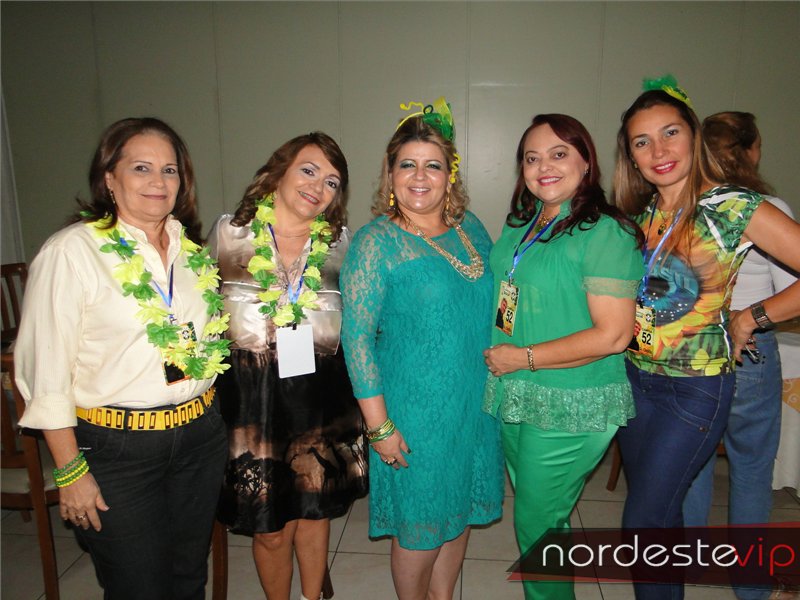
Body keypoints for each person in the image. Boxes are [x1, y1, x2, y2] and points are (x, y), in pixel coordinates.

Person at [14, 117, 230, 600]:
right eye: (141, 168)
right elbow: (46, 373)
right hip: (118, 452)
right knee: (138, 587)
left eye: (169, 170)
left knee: (188, 579)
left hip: (199, 439)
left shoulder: (190, 252)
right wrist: (70, 471)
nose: (158, 181)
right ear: (109, 179)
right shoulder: (73, 253)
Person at [613, 78, 800, 600]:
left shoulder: (731, 205)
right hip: (637, 383)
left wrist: (753, 317)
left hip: (695, 388)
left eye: (670, 133)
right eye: (642, 142)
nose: (659, 151)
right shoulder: (643, 215)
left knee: (643, 523)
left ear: (694, 136)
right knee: (664, 517)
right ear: (631, 157)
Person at [340, 98, 504, 600]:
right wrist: (379, 427)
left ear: (449, 176)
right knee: (421, 523)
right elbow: (357, 338)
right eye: (407, 164)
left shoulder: (471, 228)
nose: (419, 176)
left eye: (433, 165)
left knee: (457, 512)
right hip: (415, 412)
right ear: (389, 175)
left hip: (473, 403)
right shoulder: (376, 243)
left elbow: (498, 302)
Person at [483, 114, 643, 600]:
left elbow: (614, 335)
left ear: (586, 161)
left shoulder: (606, 232)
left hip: (573, 397)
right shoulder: (522, 222)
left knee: (536, 521)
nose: (543, 167)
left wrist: (521, 358)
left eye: (558, 154)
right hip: (519, 390)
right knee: (542, 516)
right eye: (532, 158)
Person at [208, 132, 368, 600]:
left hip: (319, 400)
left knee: (314, 517)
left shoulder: (342, 244)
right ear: (278, 171)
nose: (319, 187)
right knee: (271, 529)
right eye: (309, 170)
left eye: (332, 182)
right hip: (250, 405)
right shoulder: (228, 234)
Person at [682, 112, 797, 600]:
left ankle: (688, 566)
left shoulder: (686, 205)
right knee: (751, 469)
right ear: (750, 150)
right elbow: (790, 291)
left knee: (693, 466)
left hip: (692, 350)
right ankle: (750, 585)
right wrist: (751, 317)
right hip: (749, 351)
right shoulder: (765, 208)